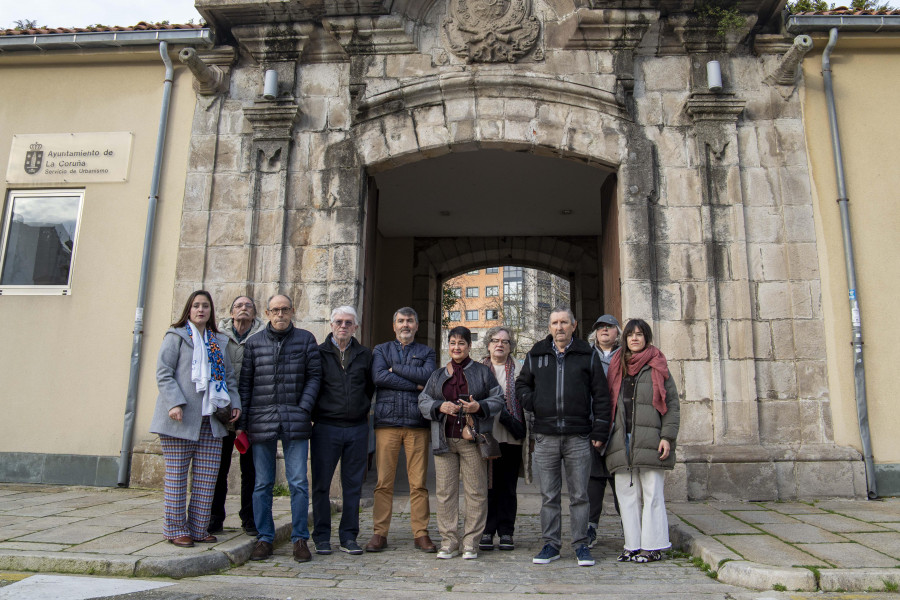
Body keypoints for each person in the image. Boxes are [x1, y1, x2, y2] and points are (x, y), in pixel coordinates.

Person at [516, 306, 610, 567]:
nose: (559, 327)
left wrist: (600, 429)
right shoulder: (536, 353)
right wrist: (535, 401)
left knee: (580, 495)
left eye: (564, 323)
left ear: (574, 325)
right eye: (555, 323)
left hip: (578, 435)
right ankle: (551, 544)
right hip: (545, 436)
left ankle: (581, 544)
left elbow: (601, 395)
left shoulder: (586, 355)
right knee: (549, 495)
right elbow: (522, 384)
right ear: (549, 327)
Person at [150, 290, 240, 547]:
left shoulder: (218, 342)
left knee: (206, 477)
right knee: (177, 478)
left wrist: (236, 404)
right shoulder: (175, 337)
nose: (201, 310)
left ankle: (199, 528)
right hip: (179, 418)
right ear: (188, 310)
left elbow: (229, 379)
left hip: (211, 420)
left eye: (206, 307)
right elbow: (164, 373)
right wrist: (174, 403)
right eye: (196, 306)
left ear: (211, 312)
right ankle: (176, 529)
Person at [238, 294, 322, 563]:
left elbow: (314, 376)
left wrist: (304, 408)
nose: (280, 314)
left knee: (298, 482)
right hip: (261, 420)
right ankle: (265, 537)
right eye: (275, 310)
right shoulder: (253, 344)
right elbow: (246, 385)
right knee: (262, 483)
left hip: (294, 419)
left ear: (292, 311)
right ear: (267, 313)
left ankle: (299, 538)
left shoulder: (306, 339)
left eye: (285, 309)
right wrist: (242, 425)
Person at [418, 326, 502, 560]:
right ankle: (449, 541)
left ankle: (471, 542)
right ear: (448, 345)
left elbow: (498, 399)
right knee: (445, 493)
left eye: (461, 343)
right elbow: (423, 400)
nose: (457, 347)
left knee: (475, 491)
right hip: (444, 440)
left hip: (472, 440)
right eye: (453, 343)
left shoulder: (483, 373)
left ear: (469, 346)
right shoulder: (437, 375)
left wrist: (479, 407)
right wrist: (438, 406)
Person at [605, 318, 680, 563]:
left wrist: (667, 437)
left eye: (640, 334)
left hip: (651, 438)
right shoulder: (617, 365)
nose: (635, 338)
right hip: (621, 439)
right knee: (626, 495)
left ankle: (653, 545)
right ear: (624, 339)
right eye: (630, 335)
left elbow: (671, 406)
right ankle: (632, 545)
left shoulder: (658, 365)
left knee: (652, 494)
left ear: (647, 338)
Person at [365, 307, 438, 553]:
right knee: (383, 482)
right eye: (401, 321)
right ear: (393, 325)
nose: (405, 325)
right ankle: (379, 533)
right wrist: (413, 383)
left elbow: (428, 377)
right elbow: (378, 377)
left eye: (409, 321)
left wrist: (395, 369)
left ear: (417, 326)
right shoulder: (380, 350)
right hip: (387, 423)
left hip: (417, 423)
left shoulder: (426, 352)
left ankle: (421, 533)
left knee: (418, 484)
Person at [311, 306, 374, 556]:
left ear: (355, 327)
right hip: (326, 427)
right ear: (331, 325)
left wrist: (358, 409)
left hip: (357, 428)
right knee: (321, 485)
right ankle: (322, 537)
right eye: (339, 322)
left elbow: (369, 388)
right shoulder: (318, 353)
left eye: (348, 322)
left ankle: (349, 537)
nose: (343, 326)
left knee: (352, 486)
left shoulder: (365, 355)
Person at [209, 295, 264, 536]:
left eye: (248, 306)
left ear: (255, 313)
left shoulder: (262, 336)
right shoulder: (217, 336)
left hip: (251, 412)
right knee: (218, 468)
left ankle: (249, 518)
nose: (243, 309)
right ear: (231, 313)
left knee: (250, 469)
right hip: (222, 412)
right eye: (239, 306)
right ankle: (214, 518)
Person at [478, 326, 531, 552]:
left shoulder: (520, 369)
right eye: (495, 340)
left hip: (511, 436)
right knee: (486, 486)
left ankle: (506, 531)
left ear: (511, 347)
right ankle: (487, 530)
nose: (500, 344)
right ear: (488, 344)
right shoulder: (477, 370)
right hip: (485, 436)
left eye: (505, 341)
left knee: (507, 486)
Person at [586, 314, 622, 549]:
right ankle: (591, 527)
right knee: (593, 480)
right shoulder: (586, 356)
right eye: (600, 328)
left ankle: (631, 526)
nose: (604, 331)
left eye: (609, 327)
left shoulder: (627, 356)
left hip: (620, 424)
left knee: (621, 478)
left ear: (618, 332)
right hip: (591, 423)